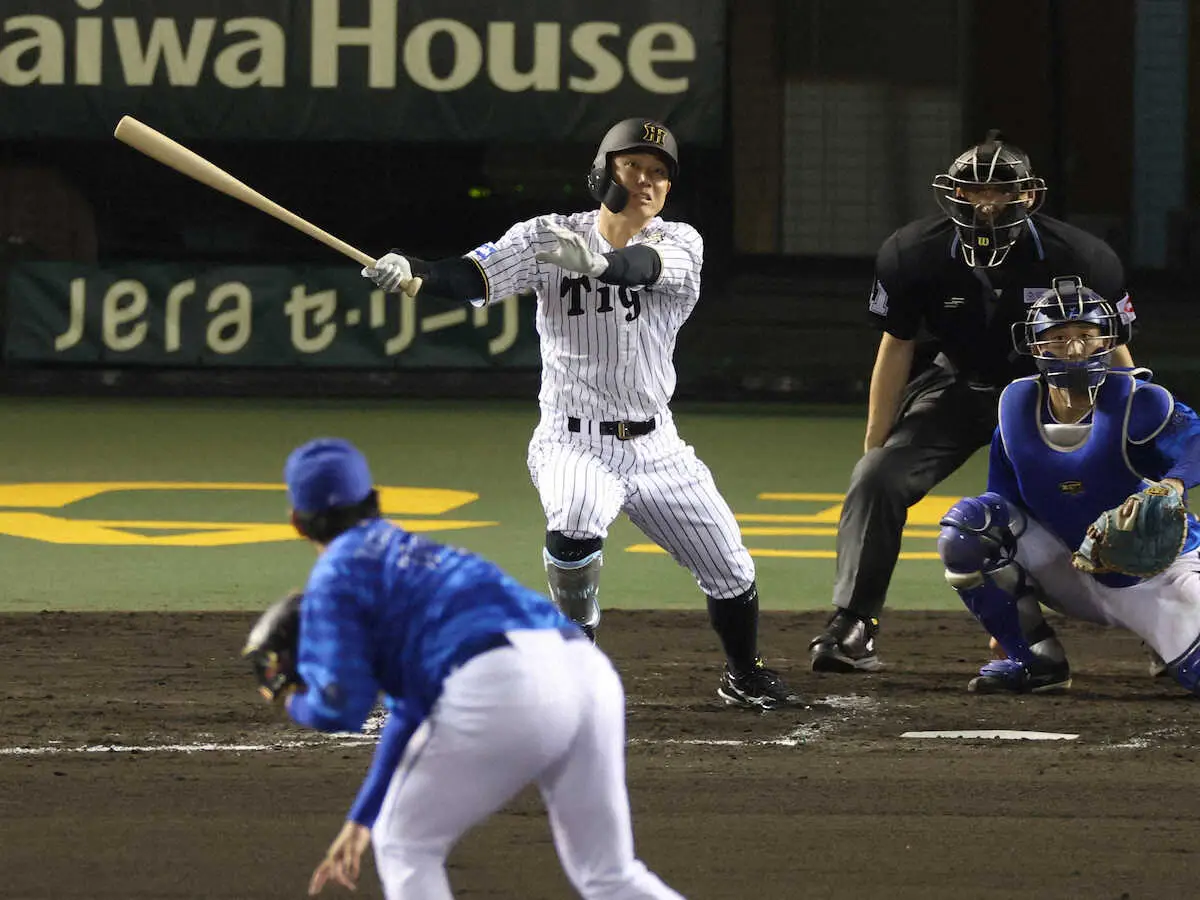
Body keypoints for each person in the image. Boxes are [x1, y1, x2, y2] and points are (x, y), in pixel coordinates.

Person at [360, 117, 800, 710]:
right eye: (634, 166)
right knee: (577, 515)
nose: (647, 181)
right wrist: (413, 272)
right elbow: (472, 275)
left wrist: (597, 265)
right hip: (573, 440)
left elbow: (641, 269)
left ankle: (744, 674)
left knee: (730, 567)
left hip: (657, 447)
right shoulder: (547, 236)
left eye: (660, 174)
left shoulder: (681, 242)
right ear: (603, 171)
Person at [242, 438, 685, 899]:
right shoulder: (417, 555)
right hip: (588, 672)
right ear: (373, 502)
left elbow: (342, 709)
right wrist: (361, 820)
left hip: (504, 685)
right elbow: (409, 714)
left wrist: (291, 698)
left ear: (297, 521)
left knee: (406, 846)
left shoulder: (337, 572)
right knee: (610, 873)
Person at [809, 130, 1137, 674]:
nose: (985, 204)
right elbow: (897, 345)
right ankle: (854, 623)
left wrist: (1135, 431)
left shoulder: (1081, 257)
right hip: (959, 387)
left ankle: (1156, 625)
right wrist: (876, 446)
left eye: (1000, 191)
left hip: (1052, 398)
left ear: (1027, 196)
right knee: (878, 477)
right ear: (953, 194)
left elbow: (1116, 346)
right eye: (972, 191)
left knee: (1123, 495)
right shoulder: (912, 253)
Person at [936, 277, 1200, 694]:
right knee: (970, 526)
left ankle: (1166, 639)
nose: (1074, 348)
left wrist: (1173, 483)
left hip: (1158, 575)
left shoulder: (1140, 401)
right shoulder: (1017, 408)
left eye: (1086, 336)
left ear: (1106, 341)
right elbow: (1002, 502)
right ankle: (1036, 661)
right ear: (1036, 345)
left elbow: (1196, 444)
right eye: (1059, 337)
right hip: (1074, 566)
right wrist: (1004, 623)